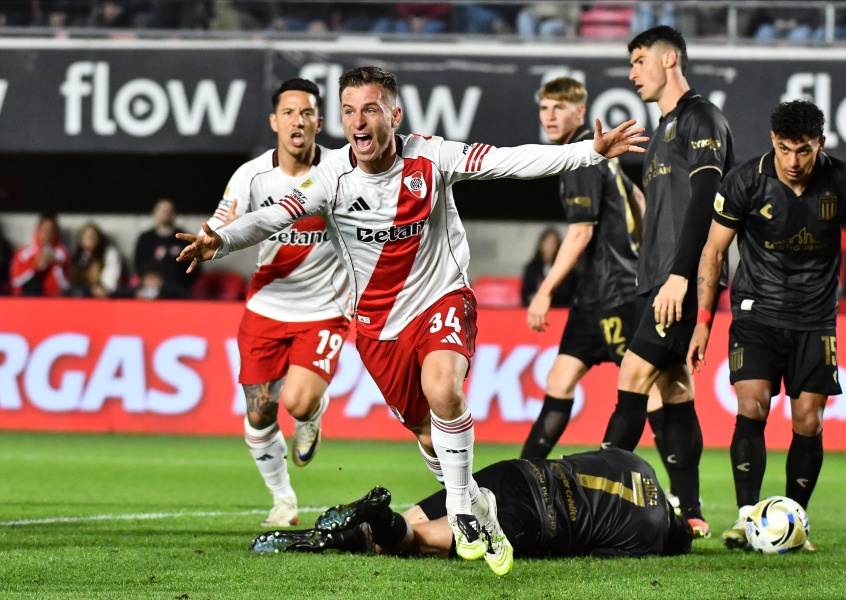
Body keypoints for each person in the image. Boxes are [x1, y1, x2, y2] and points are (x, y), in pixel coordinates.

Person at [176, 65, 648, 576]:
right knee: (428, 436)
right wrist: (219, 240)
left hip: (441, 297)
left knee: (444, 386)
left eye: (371, 109)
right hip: (379, 329)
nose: (359, 121)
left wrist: (588, 151)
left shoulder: (431, 156)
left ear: (394, 115)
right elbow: (274, 215)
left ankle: (464, 512)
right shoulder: (331, 178)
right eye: (350, 111)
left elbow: (510, 162)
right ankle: (478, 504)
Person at [686, 99, 846, 551]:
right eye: (783, 150)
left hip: (815, 318)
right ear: (772, 142)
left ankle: (795, 522)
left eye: (803, 151)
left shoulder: (842, 179)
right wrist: (702, 322)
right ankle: (745, 517)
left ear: (820, 143)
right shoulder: (744, 181)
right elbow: (713, 252)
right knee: (752, 405)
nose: (793, 162)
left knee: (809, 422)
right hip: (756, 313)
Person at [598, 26, 734, 539]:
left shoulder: (700, 118)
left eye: (638, 60)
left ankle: (595, 496)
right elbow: (664, 208)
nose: (632, 73)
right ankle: (692, 510)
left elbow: (707, 200)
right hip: (654, 277)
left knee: (632, 378)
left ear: (669, 58)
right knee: (674, 387)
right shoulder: (659, 133)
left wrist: (680, 276)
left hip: (678, 279)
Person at [203, 78, 351, 528]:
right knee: (258, 412)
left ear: (319, 122)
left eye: (306, 113)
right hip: (266, 307)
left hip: (325, 308)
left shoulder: (342, 169)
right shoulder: (251, 176)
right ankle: (283, 500)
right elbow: (224, 220)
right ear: (275, 122)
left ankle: (312, 416)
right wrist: (209, 239)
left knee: (299, 402)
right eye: (288, 113)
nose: (297, 121)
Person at [520, 77, 663, 468]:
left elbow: (581, 231)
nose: (549, 116)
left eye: (559, 108)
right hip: (594, 295)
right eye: (544, 108)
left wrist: (545, 290)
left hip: (616, 292)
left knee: (648, 391)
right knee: (559, 380)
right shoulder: (595, 152)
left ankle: (684, 497)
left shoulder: (581, 155)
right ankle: (525, 473)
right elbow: (636, 197)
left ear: (580, 111)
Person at [250, 447, 693, 561]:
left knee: (411, 523)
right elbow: (593, 553)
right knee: (419, 541)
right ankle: (378, 518)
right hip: (534, 519)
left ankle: (322, 539)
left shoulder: (637, 462)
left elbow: (584, 456)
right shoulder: (651, 539)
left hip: (518, 473)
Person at [134, 198, 200, 298]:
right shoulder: (145, 239)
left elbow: (195, 266)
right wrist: (149, 279)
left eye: (169, 211)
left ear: (175, 213)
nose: (166, 213)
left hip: (178, 289)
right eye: (162, 210)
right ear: (154, 212)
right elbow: (139, 264)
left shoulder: (184, 238)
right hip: (151, 288)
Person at [10, 213, 70, 297]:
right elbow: (15, 281)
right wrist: (35, 267)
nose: (47, 234)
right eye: (44, 229)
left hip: (56, 299)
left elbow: (67, 285)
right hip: (28, 299)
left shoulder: (62, 253)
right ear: (38, 230)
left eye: (51, 230)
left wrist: (55, 264)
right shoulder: (24, 253)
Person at [519, 227, 576, 308]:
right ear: (541, 245)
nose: (550, 246)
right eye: (547, 242)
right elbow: (526, 294)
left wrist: (549, 297)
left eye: (553, 243)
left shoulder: (565, 268)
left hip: (559, 310)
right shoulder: (532, 268)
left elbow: (568, 292)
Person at [67, 223, 124, 298]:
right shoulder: (79, 256)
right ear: (80, 240)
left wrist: (101, 286)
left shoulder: (109, 254)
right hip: (83, 293)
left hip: (106, 294)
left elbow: (110, 283)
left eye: (93, 236)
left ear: (99, 239)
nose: (90, 239)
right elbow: (73, 281)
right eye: (87, 236)